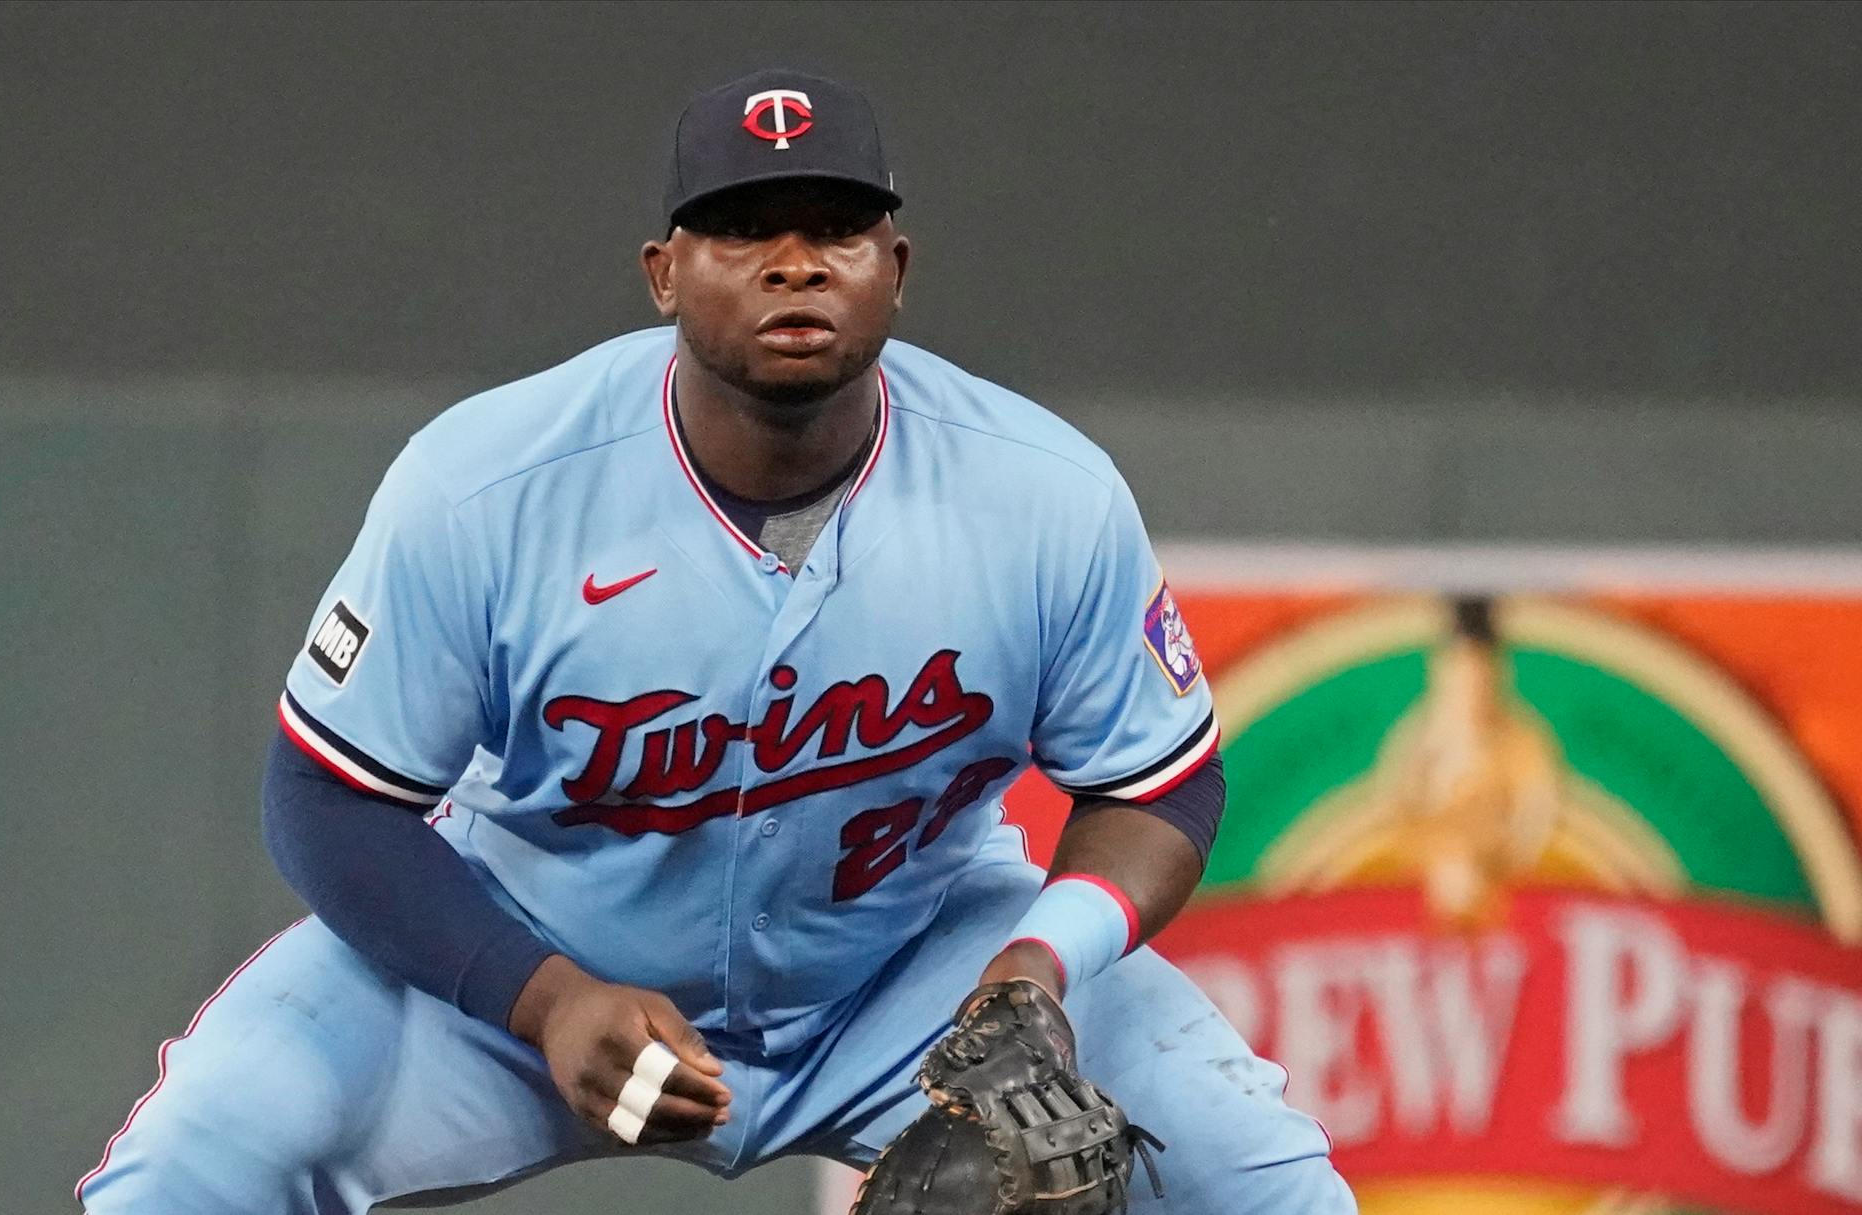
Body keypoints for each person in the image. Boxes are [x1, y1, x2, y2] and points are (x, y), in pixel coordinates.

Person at [77, 68, 1353, 1214]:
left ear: (895, 268)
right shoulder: (487, 485)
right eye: (743, 229)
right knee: (200, 1159)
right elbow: (325, 796)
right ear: (662, 271)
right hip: (526, 958)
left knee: (1264, 1181)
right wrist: (539, 995)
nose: (794, 262)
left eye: (836, 229)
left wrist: (1035, 969)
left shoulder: (1042, 495)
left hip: (911, 970)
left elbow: (1158, 784)